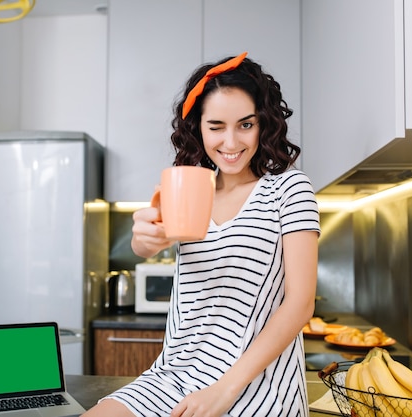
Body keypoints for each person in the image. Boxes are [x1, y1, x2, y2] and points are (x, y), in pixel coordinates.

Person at [82, 52, 320, 417]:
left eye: (245, 125)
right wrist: (142, 240)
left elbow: (301, 303)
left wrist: (223, 391)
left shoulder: (288, 189)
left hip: (257, 387)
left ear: (263, 124)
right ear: (199, 128)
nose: (230, 142)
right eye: (216, 126)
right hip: (173, 377)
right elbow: (146, 240)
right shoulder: (190, 189)